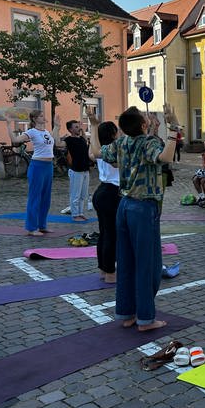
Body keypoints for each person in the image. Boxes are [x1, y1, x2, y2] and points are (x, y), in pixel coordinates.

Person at [91, 106, 176, 331]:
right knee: (148, 264)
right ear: (143, 125)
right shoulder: (148, 143)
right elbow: (166, 157)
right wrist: (174, 129)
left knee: (126, 262)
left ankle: (126, 314)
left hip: (124, 205)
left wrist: (93, 126)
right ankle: (146, 318)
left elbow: (96, 153)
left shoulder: (122, 143)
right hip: (143, 206)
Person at [6, 110, 61, 236]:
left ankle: (42, 225)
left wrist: (57, 126)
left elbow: (55, 140)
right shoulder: (31, 132)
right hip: (37, 166)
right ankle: (31, 228)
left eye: (43, 115)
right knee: (35, 197)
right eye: (41, 116)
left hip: (48, 166)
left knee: (46, 198)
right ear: (35, 119)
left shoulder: (47, 132)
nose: (44, 117)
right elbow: (15, 139)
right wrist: (9, 124)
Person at [88, 114, 120, 284]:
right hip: (112, 193)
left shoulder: (99, 149)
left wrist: (93, 127)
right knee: (111, 235)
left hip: (102, 192)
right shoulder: (113, 150)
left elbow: (91, 154)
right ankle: (109, 272)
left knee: (105, 233)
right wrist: (94, 126)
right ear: (113, 134)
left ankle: (103, 268)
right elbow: (116, 164)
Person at [64, 119, 92, 222]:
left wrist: (82, 128)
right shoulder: (69, 140)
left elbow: (85, 138)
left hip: (85, 169)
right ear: (70, 129)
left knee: (83, 194)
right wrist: (57, 128)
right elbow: (58, 142)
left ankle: (80, 213)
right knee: (75, 194)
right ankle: (75, 214)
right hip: (76, 170)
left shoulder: (81, 139)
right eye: (76, 127)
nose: (78, 128)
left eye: (78, 126)